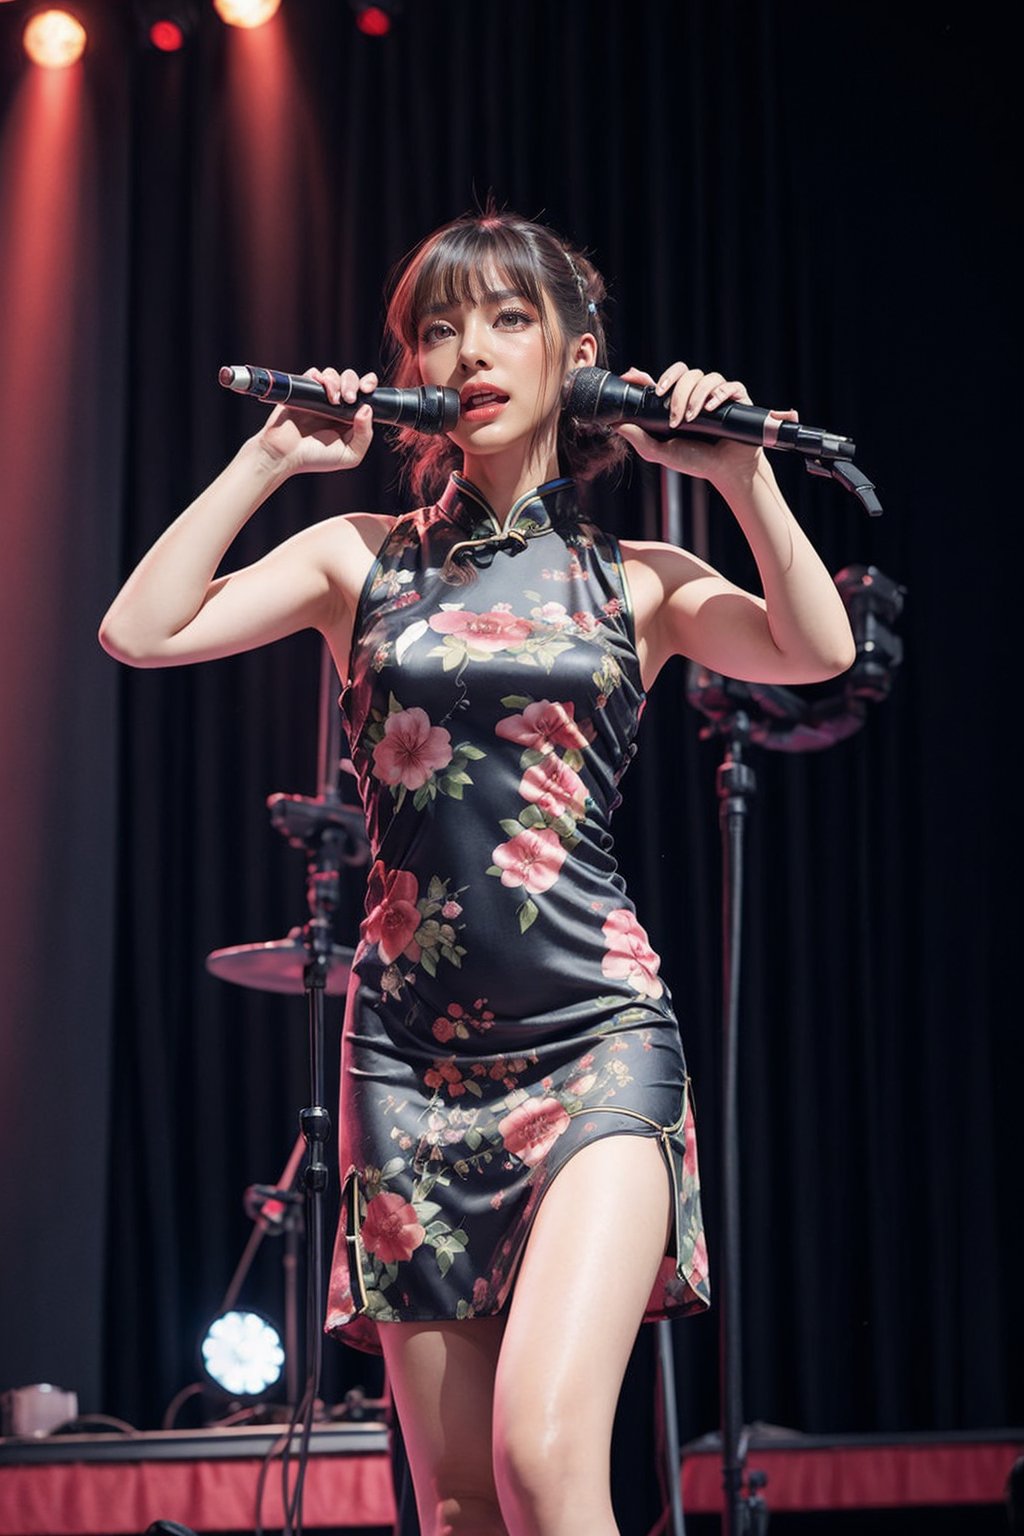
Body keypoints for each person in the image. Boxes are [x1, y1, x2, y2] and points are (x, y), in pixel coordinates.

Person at [99, 207, 856, 1536]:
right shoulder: (360, 558)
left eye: (510, 317)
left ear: (579, 351)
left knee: (544, 1464)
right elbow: (137, 630)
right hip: (404, 1058)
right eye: (439, 327)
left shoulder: (642, 579)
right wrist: (271, 461)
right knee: (453, 1510)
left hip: (597, 1043)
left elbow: (816, 653)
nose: (472, 349)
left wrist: (743, 480)